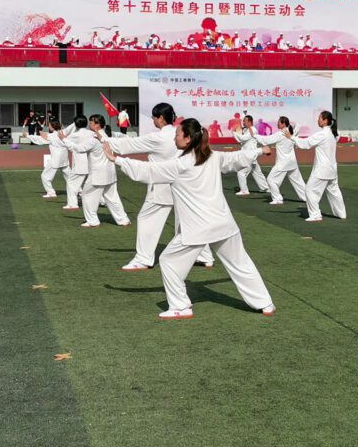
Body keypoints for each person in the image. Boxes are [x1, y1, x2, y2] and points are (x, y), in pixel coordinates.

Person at [109, 118, 276, 319]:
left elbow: (148, 171)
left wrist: (116, 159)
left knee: (168, 261)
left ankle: (180, 306)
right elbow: (237, 157)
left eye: (178, 134)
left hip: (198, 228)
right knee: (241, 263)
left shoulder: (180, 165)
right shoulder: (212, 157)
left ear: (188, 139)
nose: (175, 138)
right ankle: (265, 303)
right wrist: (259, 151)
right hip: (224, 224)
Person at [100, 103, 214, 271]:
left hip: (162, 185)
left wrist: (103, 138)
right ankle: (204, 256)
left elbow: (130, 145)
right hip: (186, 185)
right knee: (188, 221)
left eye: (154, 117)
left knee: (147, 219)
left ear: (161, 118)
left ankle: (143, 258)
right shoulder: (183, 134)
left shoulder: (159, 137)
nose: (153, 120)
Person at [63, 114, 130, 228]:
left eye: (91, 122)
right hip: (110, 172)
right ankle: (123, 220)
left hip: (98, 173)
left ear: (97, 125)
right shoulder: (106, 135)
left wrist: (64, 139)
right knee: (112, 197)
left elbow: (80, 149)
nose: (89, 124)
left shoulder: (95, 139)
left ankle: (92, 221)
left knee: (87, 195)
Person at [289, 111, 346, 222]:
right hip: (332, 169)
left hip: (322, 169)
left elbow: (306, 144)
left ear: (325, 121)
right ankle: (341, 214)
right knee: (334, 191)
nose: (318, 120)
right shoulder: (334, 133)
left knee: (309, 190)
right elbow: (337, 135)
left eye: (320, 118)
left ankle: (315, 215)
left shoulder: (322, 134)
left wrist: (292, 137)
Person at [255, 116, 307, 206]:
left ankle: (278, 199)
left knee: (271, 179)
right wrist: (296, 125)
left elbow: (267, 140)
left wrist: (254, 136)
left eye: (279, 122)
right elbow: (297, 127)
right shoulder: (292, 131)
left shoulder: (281, 134)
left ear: (283, 124)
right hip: (292, 162)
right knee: (298, 182)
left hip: (283, 163)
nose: (277, 123)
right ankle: (307, 198)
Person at [30, 119, 71, 199]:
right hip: (64, 159)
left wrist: (28, 136)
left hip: (56, 160)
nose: (48, 127)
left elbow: (40, 140)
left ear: (52, 127)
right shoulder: (63, 133)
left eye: (49, 125)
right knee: (70, 177)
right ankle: (79, 191)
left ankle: (51, 193)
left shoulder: (51, 136)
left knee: (45, 176)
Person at [232, 115, 268, 196]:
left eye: (244, 121)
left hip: (249, 156)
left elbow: (242, 139)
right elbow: (242, 140)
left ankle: (244, 191)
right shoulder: (248, 130)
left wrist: (234, 132)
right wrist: (237, 132)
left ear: (249, 122)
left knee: (241, 173)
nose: (243, 122)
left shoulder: (253, 130)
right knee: (257, 172)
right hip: (250, 155)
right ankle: (265, 187)